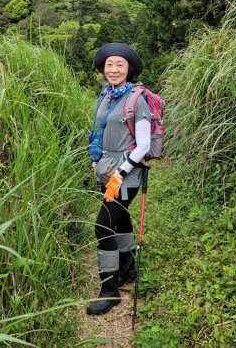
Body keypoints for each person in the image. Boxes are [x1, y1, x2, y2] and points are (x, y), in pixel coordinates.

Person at [86, 42, 151, 316]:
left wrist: (120, 174)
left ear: (130, 69)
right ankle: (127, 269)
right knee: (121, 219)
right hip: (107, 170)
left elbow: (144, 145)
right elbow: (97, 131)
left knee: (102, 227)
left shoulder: (138, 99)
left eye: (119, 65)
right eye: (109, 65)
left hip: (126, 173)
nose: (113, 69)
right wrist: (95, 162)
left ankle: (109, 291)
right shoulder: (106, 94)